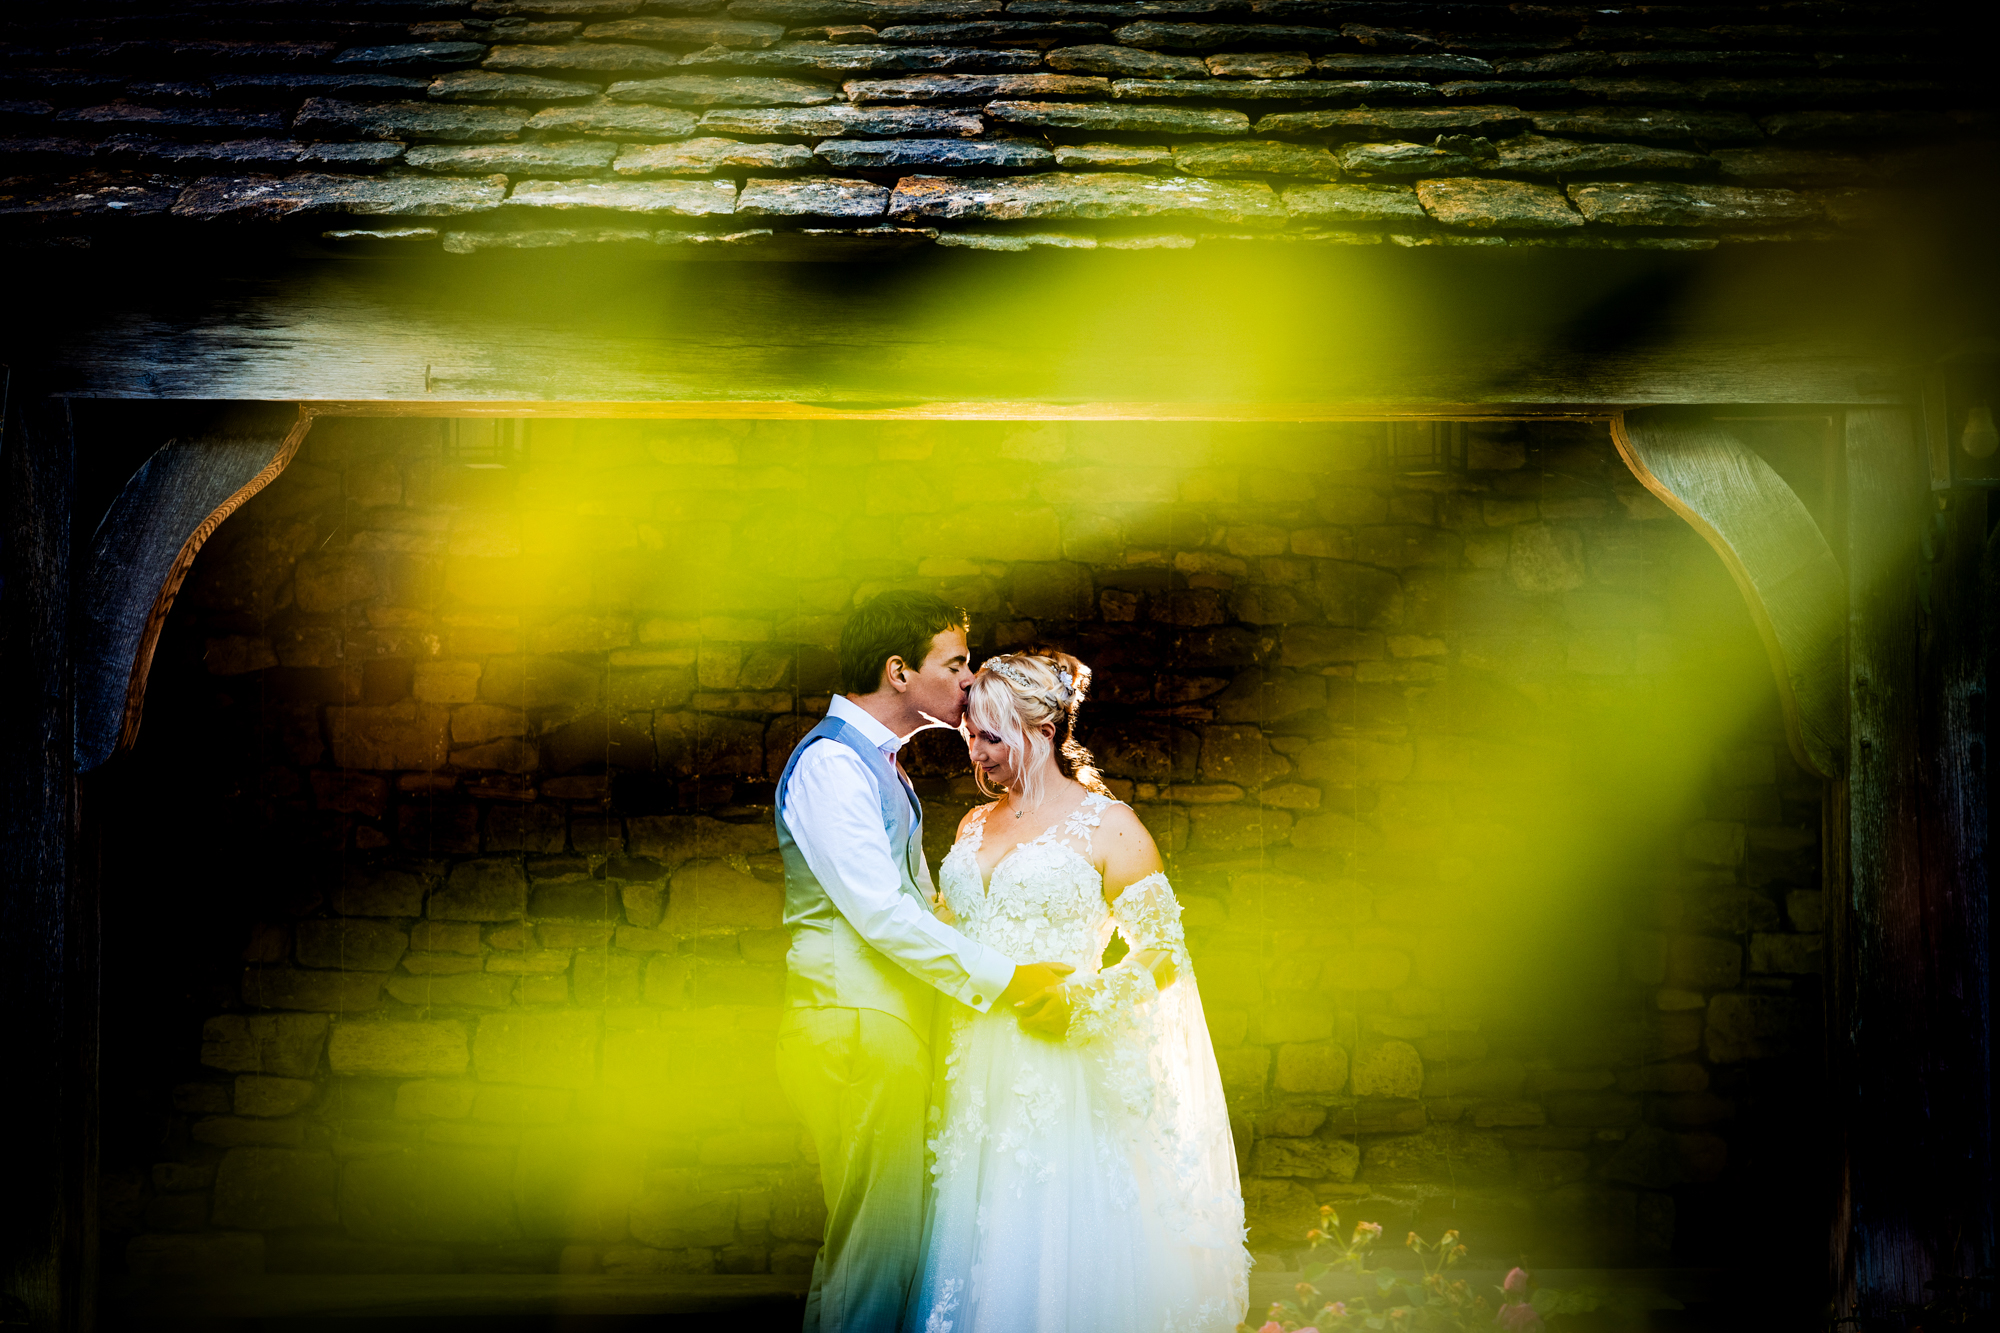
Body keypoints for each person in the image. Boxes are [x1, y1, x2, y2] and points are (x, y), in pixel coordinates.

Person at [904, 649, 1249, 1333]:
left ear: (1042, 729)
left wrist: (1083, 1000)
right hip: (974, 1070)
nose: (976, 750)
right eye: (971, 733)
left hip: (1062, 1067)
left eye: (992, 735)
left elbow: (1163, 952)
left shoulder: (1108, 825)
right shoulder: (974, 824)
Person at [773, 592, 1075, 1333]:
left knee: (874, 1249)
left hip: (881, 1028)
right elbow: (880, 911)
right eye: (956, 663)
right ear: (899, 671)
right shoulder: (831, 766)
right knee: (874, 1253)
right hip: (855, 1027)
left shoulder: (882, 767)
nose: (969, 681)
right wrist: (1007, 981)